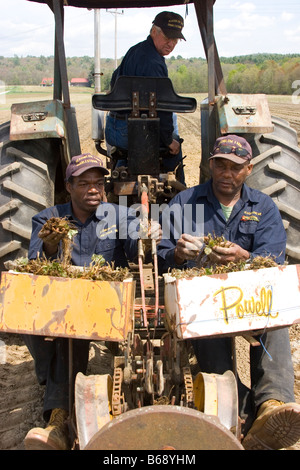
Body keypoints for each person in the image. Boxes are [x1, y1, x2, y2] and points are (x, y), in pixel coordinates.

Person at [157, 134, 300, 450]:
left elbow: (274, 257)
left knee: (275, 322)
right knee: (209, 338)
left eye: (235, 168)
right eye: (220, 166)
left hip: (248, 298)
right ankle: (244, 411)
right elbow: (161, 251)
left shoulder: (262, 207)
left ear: (248, 170)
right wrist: (178, 254)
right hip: (203, 301)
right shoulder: (185, 202)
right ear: (210, 166)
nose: (227, 174)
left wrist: (245, 257)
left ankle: (273, 404)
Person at [23, 153, 161, 450]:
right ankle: (59, 418)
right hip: (66, 304)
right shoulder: (48, 219)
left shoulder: (120, 215)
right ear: (68, 186)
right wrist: (49, 244)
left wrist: (146, 235)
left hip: (110, 303)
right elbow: (35, 268)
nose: (94, 189)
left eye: (98, 183)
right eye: (84, 183)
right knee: (61, 333)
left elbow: (135, 243)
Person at [105, 11, 186, 183]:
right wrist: (169, 141)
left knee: (127, 150)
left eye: (176, 40)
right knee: (175, 146)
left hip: (114, 129)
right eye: (167, 37)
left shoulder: (134, 50)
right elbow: (161, 109)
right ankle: (179, 194)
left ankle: (120, 173)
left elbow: (114, 82)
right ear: (153, 31)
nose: (171, 44)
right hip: (131, 133)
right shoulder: (154, 63)